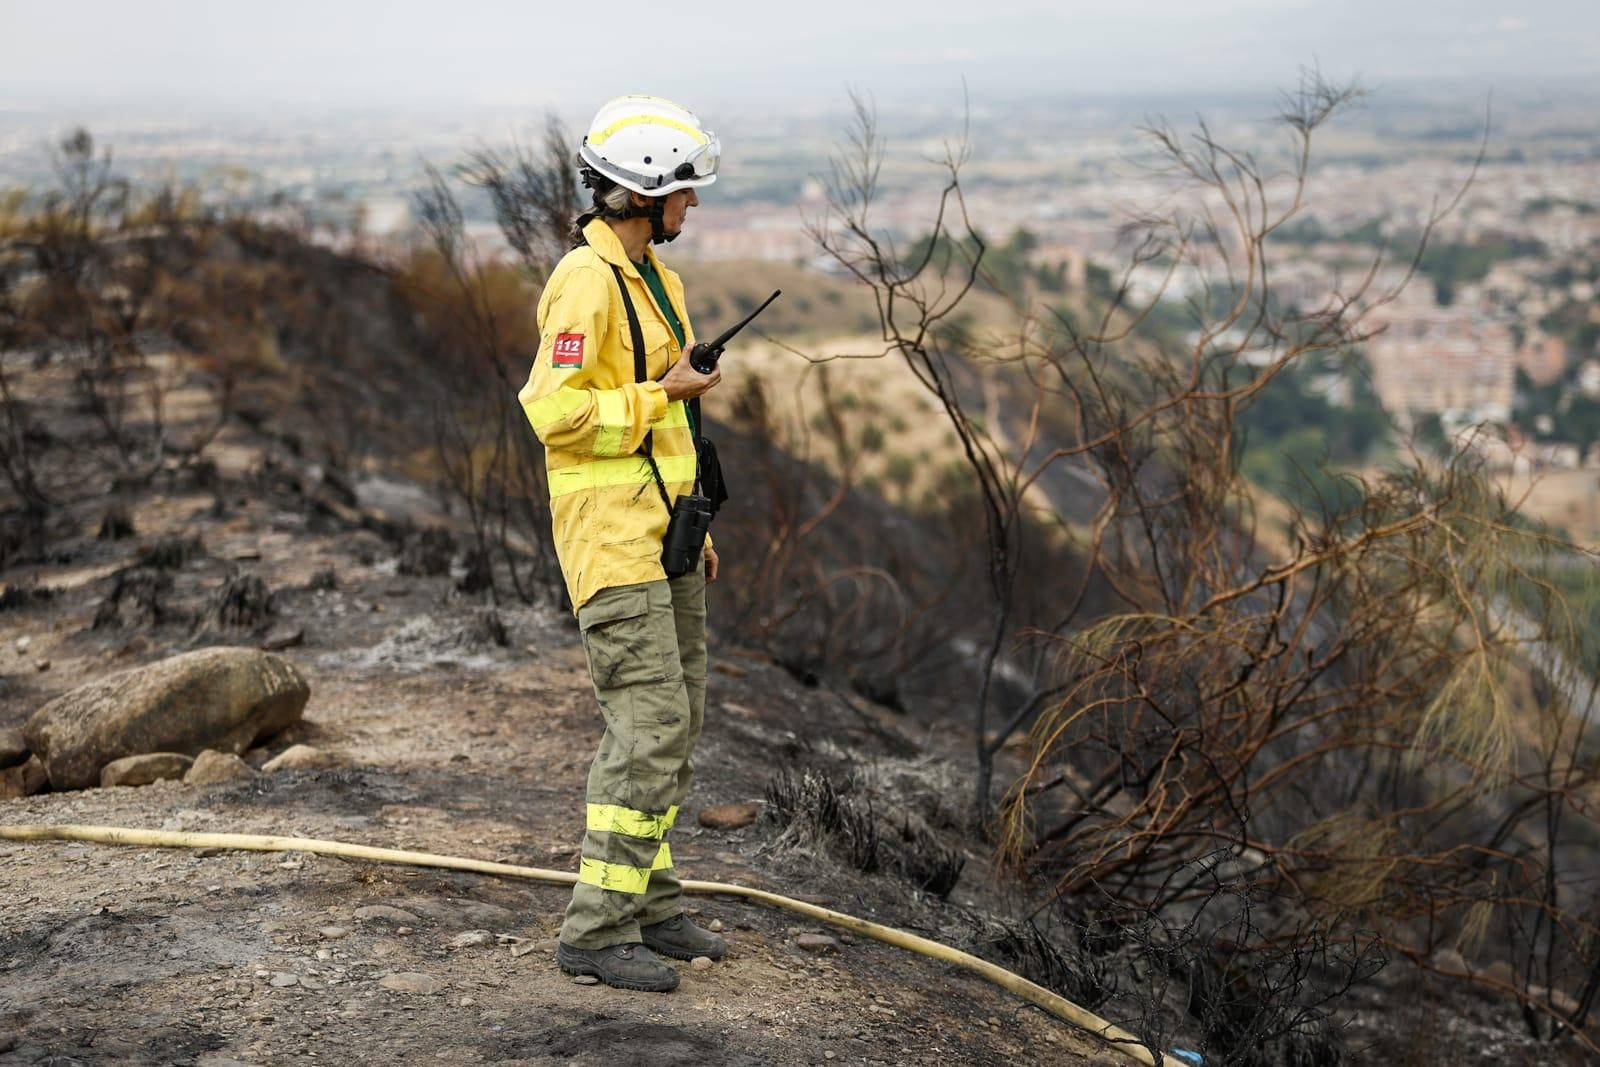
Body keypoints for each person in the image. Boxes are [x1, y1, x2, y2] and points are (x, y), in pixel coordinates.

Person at [517, 95, 726, 993]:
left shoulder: (657, 281)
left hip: (664, 537)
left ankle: (649, 902)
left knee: (678, 724)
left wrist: (693, 517)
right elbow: (552, 413)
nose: (693, 203)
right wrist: (663, 392)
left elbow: (666, 429)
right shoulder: (586, 282)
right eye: (684, 187)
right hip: (609, 543)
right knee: (647, 726)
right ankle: (596, 929)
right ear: (643, 192)